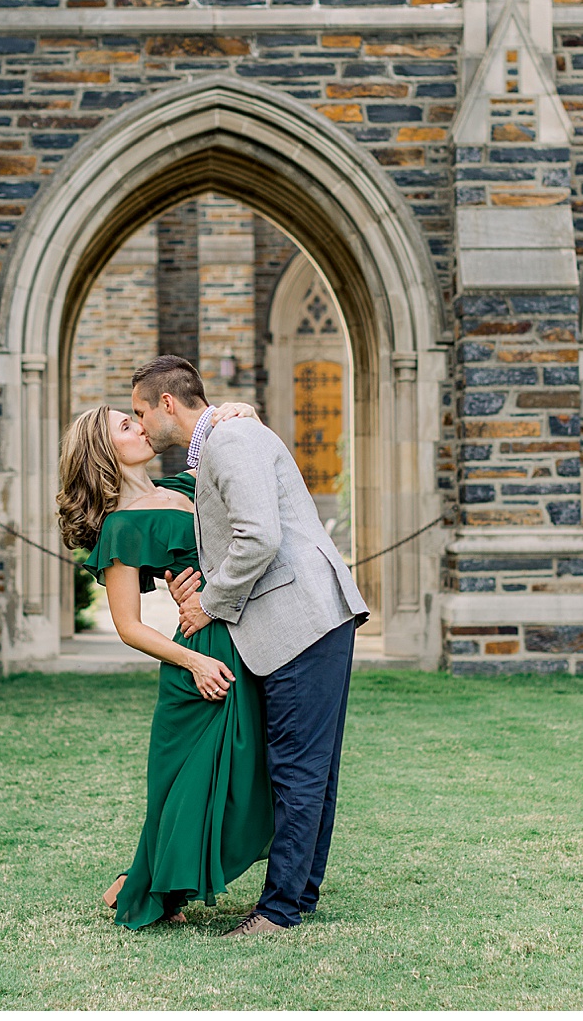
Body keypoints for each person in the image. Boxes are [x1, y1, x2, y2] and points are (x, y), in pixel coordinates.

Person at [130, 354, 370, 938]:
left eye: (140, 411)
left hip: (302, 618)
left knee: (299, 768)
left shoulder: (230, 439)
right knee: (309, 767)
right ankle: (298, 897)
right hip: (300, 620)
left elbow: (258, 536)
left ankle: (280, 911)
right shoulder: (227, 436)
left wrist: (208, 602)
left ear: (168, 402)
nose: (139, 424)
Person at [56, 397, 273, 930]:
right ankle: (147, 887)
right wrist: (194, 664)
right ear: (105, 451)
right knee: (183, 783)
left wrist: (239, 410)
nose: (142, 428)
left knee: (244, 770)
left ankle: (139, 880)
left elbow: (232, 461)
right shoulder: (121, 527)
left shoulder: (182, 488)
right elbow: (129, 626)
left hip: (242, 635)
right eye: (126, 427)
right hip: (198, 653)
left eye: (136, 418)